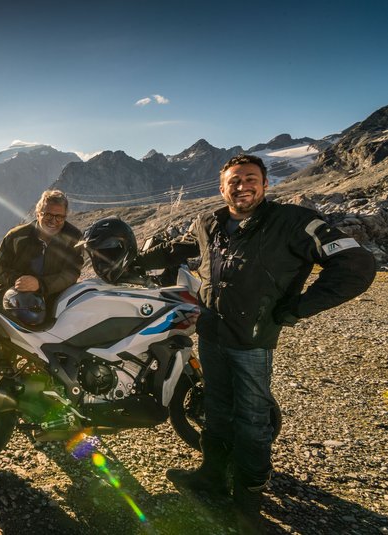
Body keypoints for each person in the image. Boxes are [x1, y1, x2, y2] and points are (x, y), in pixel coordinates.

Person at [138, 154, 376, 533]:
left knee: (252, 420)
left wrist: (297, 308)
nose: (242, 186)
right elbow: (181, 248)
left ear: (265, 185)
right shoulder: (210, 222)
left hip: (253, 340)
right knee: (216, 408)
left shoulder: (293, 222)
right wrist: (131, 259)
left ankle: (248, 501)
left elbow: (356, 263)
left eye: (251, 179)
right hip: (213, 332)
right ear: (222, 187)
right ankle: (212, 476)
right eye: (234, 180)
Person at [0, 190, 83, 307]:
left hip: (51, 304)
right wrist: (18, 281)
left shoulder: (74, 237)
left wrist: (40, 284)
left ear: (65, 217)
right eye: (48, 215)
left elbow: (72, 273)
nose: (53, 221)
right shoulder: (16, 236)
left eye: (59, 217)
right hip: (11, 302)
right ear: (38, 213)